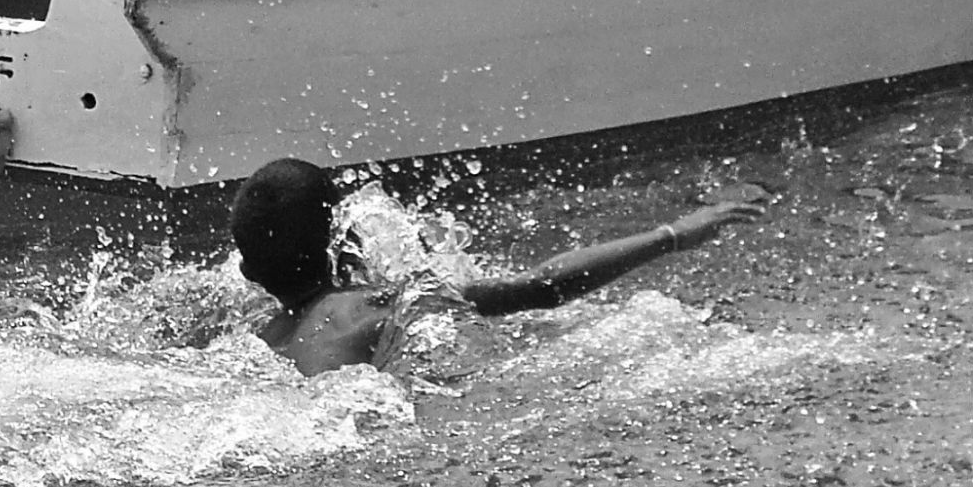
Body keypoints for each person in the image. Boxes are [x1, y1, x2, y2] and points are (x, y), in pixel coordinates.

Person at [229, 158, 768, 376]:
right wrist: (672, 234)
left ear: (250, 272)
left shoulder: (255, 337)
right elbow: (541, 287)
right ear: (339, 235)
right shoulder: (378, 306)